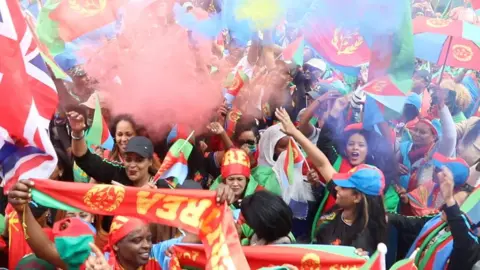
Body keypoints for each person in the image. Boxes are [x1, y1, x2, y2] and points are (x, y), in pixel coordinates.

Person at [275, 107, 387, 253]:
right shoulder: (348, 204)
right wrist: (294, 132)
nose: (337, 188)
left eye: (344, 187)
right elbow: (322, 164)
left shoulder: (360, 243)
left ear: (357, 197)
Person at [209, 148, 263, 245]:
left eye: (239, 179)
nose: (235, 184)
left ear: (247, 180)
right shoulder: (213, 195)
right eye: (231, 179)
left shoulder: (260, 195)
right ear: (224, 180)